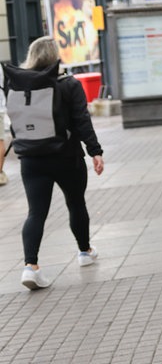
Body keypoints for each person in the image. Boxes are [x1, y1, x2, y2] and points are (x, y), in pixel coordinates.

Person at [7, 37, 104, 290]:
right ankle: (84, 251)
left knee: (35, 212)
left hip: (30, 158)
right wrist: (95, 151)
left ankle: (31, 267)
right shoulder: (68, 84)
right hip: (66, 157)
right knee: (75, 203)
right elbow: (82, 120)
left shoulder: (18, 85)